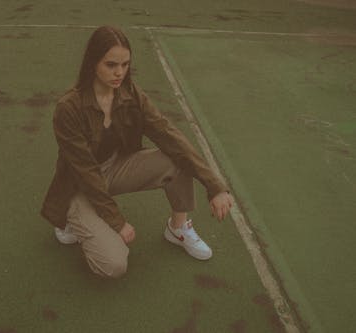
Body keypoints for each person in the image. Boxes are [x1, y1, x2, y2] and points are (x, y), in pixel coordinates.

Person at [41, 26, 233, 278]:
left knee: (174, 157)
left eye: (125, 64)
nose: (119, 72)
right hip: (79, 184)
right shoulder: (69, 108)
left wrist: (215, 186)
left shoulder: (131, 95)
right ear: (92, 63)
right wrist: (116, 222)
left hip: (115, 168)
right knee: (114, 265)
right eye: (110, 65)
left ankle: (177, 229)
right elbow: (86, 173)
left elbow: (169, 135)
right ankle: (75, 219)